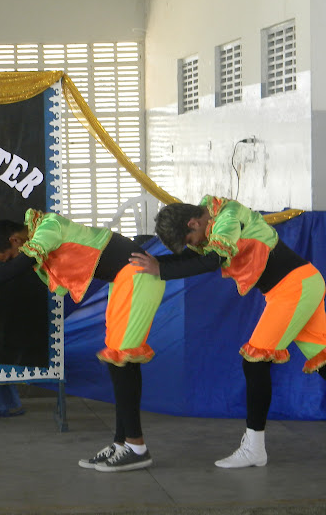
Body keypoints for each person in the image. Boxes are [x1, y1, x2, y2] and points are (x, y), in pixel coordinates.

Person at [0, 209, 166, 473]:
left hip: (138, 275)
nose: (13, 260)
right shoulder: (35, 234)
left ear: (15, 240)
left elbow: (12, 270)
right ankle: (122, 443)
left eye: (11, 255)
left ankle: (136, 447)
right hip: (124, 279)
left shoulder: (49, 227)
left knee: (123, 361)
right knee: (118, 362)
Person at [132, 195, 326, 468]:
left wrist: (161, 269)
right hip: (301, 283)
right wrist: (159, 263)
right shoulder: (209, 219)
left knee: (254, 362)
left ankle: (254, 449)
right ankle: (254, 448)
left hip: (294, 288)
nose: (193, 244)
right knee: (322, 358)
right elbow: (198, 255)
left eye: (189, 239)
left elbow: (212, 261)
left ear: (193, 223)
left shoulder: (228, 218)